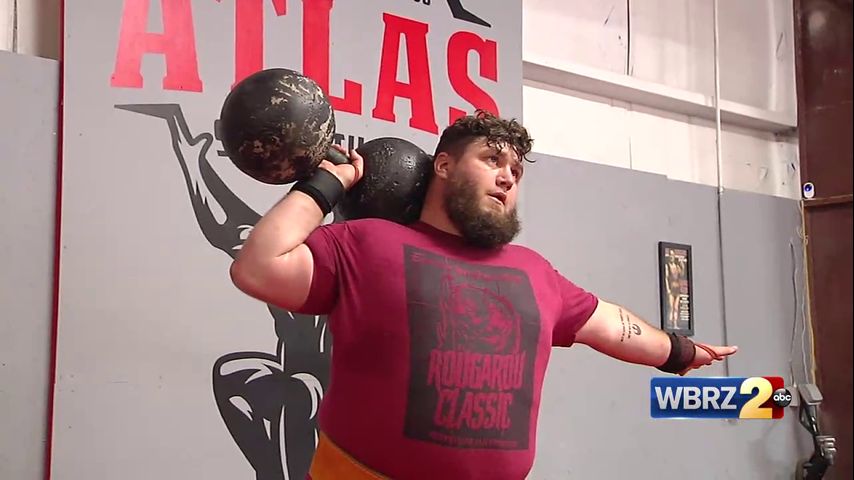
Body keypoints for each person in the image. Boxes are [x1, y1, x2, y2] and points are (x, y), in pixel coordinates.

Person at [229, 111, 738, 480]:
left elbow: (609, 324)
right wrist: (329, 182)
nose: (507, 177)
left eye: (516, 171)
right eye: (492, 159)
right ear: (443, 166)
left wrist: (678, 352)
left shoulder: (535, 272)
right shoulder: (368, 242)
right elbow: (258, 267)